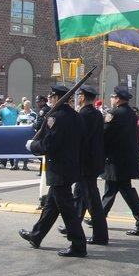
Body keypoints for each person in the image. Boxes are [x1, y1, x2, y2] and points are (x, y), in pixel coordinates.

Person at [19, 84, 87, 258]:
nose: (50, 99)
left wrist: (33, 145)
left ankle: (78, 244)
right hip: (71, 166)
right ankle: (37, 235)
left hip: (59, 169)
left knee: (67, 210)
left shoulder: (55, 117)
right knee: (51, 206)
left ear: (57, 98)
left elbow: (50, 145)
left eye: (52, 96)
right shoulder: (76, 116)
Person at [100, 86, 139, 235]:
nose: (111, 99)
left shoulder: (114, 113)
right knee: (115, 189)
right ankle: (100, 216)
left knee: (122, 190)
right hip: (127, 157)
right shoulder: (131, 113)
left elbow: (105, 134)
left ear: (117, 98)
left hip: (116, 158)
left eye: (112, 97)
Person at [66, 85, 108, 245]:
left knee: (92, 200)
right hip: (94, 160)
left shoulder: (82, 115)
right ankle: (74, 226)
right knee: (79, 195)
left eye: (79, 95)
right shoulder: (96, 114)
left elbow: (79, 139)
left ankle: (100, 235)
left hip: (86, 162)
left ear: (82, 97)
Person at [0, 97, 19, 169]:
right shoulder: (3, 109)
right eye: (7, 101)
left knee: (12, 147)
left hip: (14, 130)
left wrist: (16, 107)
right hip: (4, 130)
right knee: (4, 146)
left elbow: (22, 113)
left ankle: (12, 163)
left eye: (10, 101)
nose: (9, 102)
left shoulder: (15, 109)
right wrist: (1, 107)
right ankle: (2, 163)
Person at [13, 100, 37, 171]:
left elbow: (35, 124)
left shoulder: (34, 114)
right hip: (20, 133)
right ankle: (15, 164)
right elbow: (17, 123)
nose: (26, 106)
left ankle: (25, 165)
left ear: (30, 106)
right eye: (25, 105)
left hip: (28, 133)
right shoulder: (20, 113)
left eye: (27, 105)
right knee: (17, 148)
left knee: (26, 149)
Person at [33, 95, 51, 176]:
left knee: (38, 150)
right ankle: (42, 170)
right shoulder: (49, 109)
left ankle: (44, 169)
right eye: (37, 102)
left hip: (42, 133)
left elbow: (38, 124)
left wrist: (33, 125)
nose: (37, 103)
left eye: (39, 102)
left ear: (43, 101)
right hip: (47, 133)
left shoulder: (43, 110)